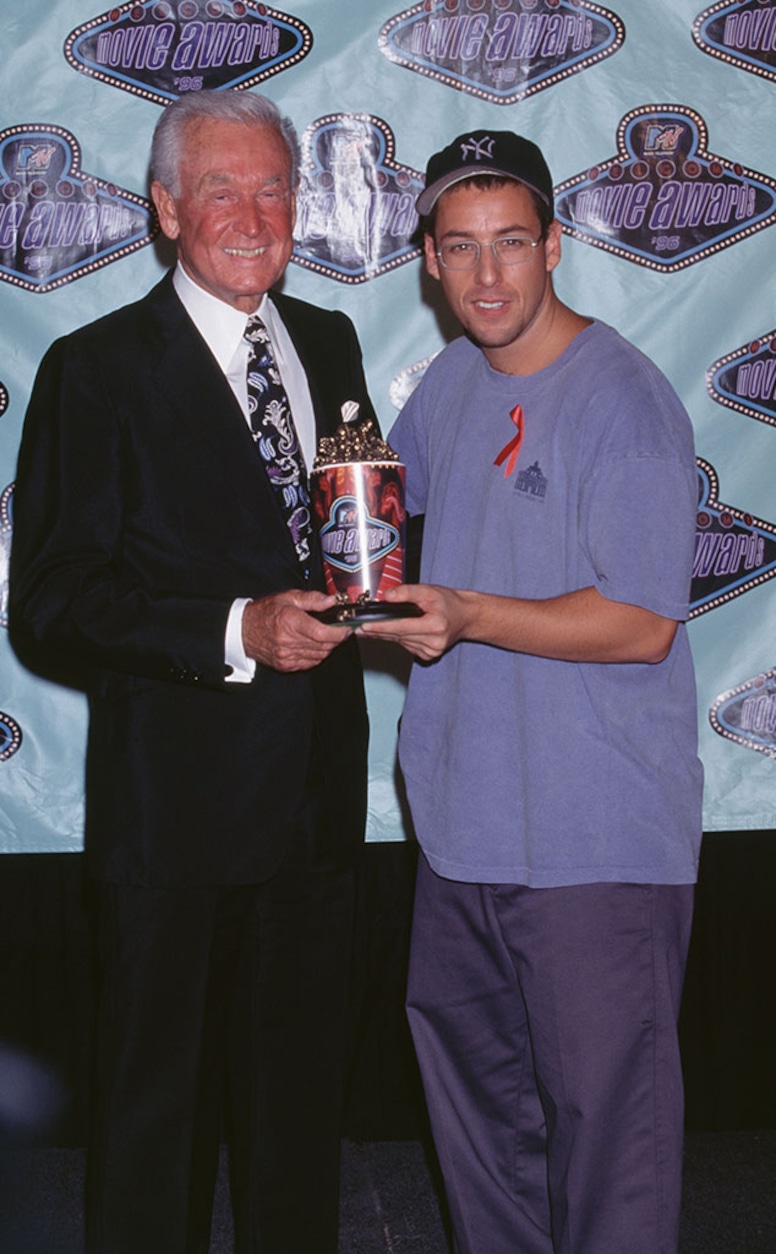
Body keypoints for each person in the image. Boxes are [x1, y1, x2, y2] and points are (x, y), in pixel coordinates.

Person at [10, 89, 375, 1254]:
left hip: (314, 801)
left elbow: (345, 536)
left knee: (295, 1116)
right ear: (166, 208)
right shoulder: (94, 368)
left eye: (273, 186)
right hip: (171, 815)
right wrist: (234, 629)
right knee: (152, 1121)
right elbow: (53, 607)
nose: (252, 213)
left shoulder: (328, 342)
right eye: (220, 187)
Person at [363, 130, 703, 1254]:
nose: (487, 276)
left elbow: (641, 623)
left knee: (611, 1142)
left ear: (554, 244)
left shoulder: (622, 399)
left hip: (592, 846)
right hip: (461, 836)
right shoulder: (449, 385)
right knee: (478, 1140)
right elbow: (389, 544)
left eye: (511, 243)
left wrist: (466, 614)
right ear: (425, 262)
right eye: (458, 249)